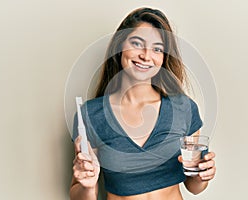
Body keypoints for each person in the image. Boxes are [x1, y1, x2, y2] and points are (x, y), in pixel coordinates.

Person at [70, 7, 216, 200]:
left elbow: (194, 187)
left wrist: (202, 175)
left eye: (157, 49)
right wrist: (87, 186)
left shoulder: (184, 108)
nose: (146, 56)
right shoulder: (91, 115)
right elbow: (78, 195)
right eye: (137, 44)